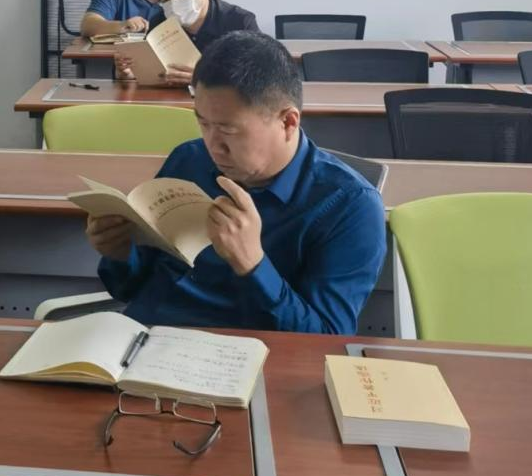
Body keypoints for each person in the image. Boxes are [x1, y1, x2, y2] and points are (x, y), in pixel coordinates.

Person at [88, 31, 385, 333]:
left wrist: (253, 264)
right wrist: (120, 253)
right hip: (146, 338)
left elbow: (326, 339)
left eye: (228, 130)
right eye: (203, 123)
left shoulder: (350, 206)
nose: (213, 146)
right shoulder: (188, 159)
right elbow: (128, 289)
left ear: (288, 122)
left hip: (251, 354)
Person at [115, 0, 259, 87]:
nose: (173, 3)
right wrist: (129, 73)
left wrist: (204, 79)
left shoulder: (240, 22)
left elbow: (259, 77)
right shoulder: (159, 22)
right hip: (169, 102)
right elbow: (150, 75)